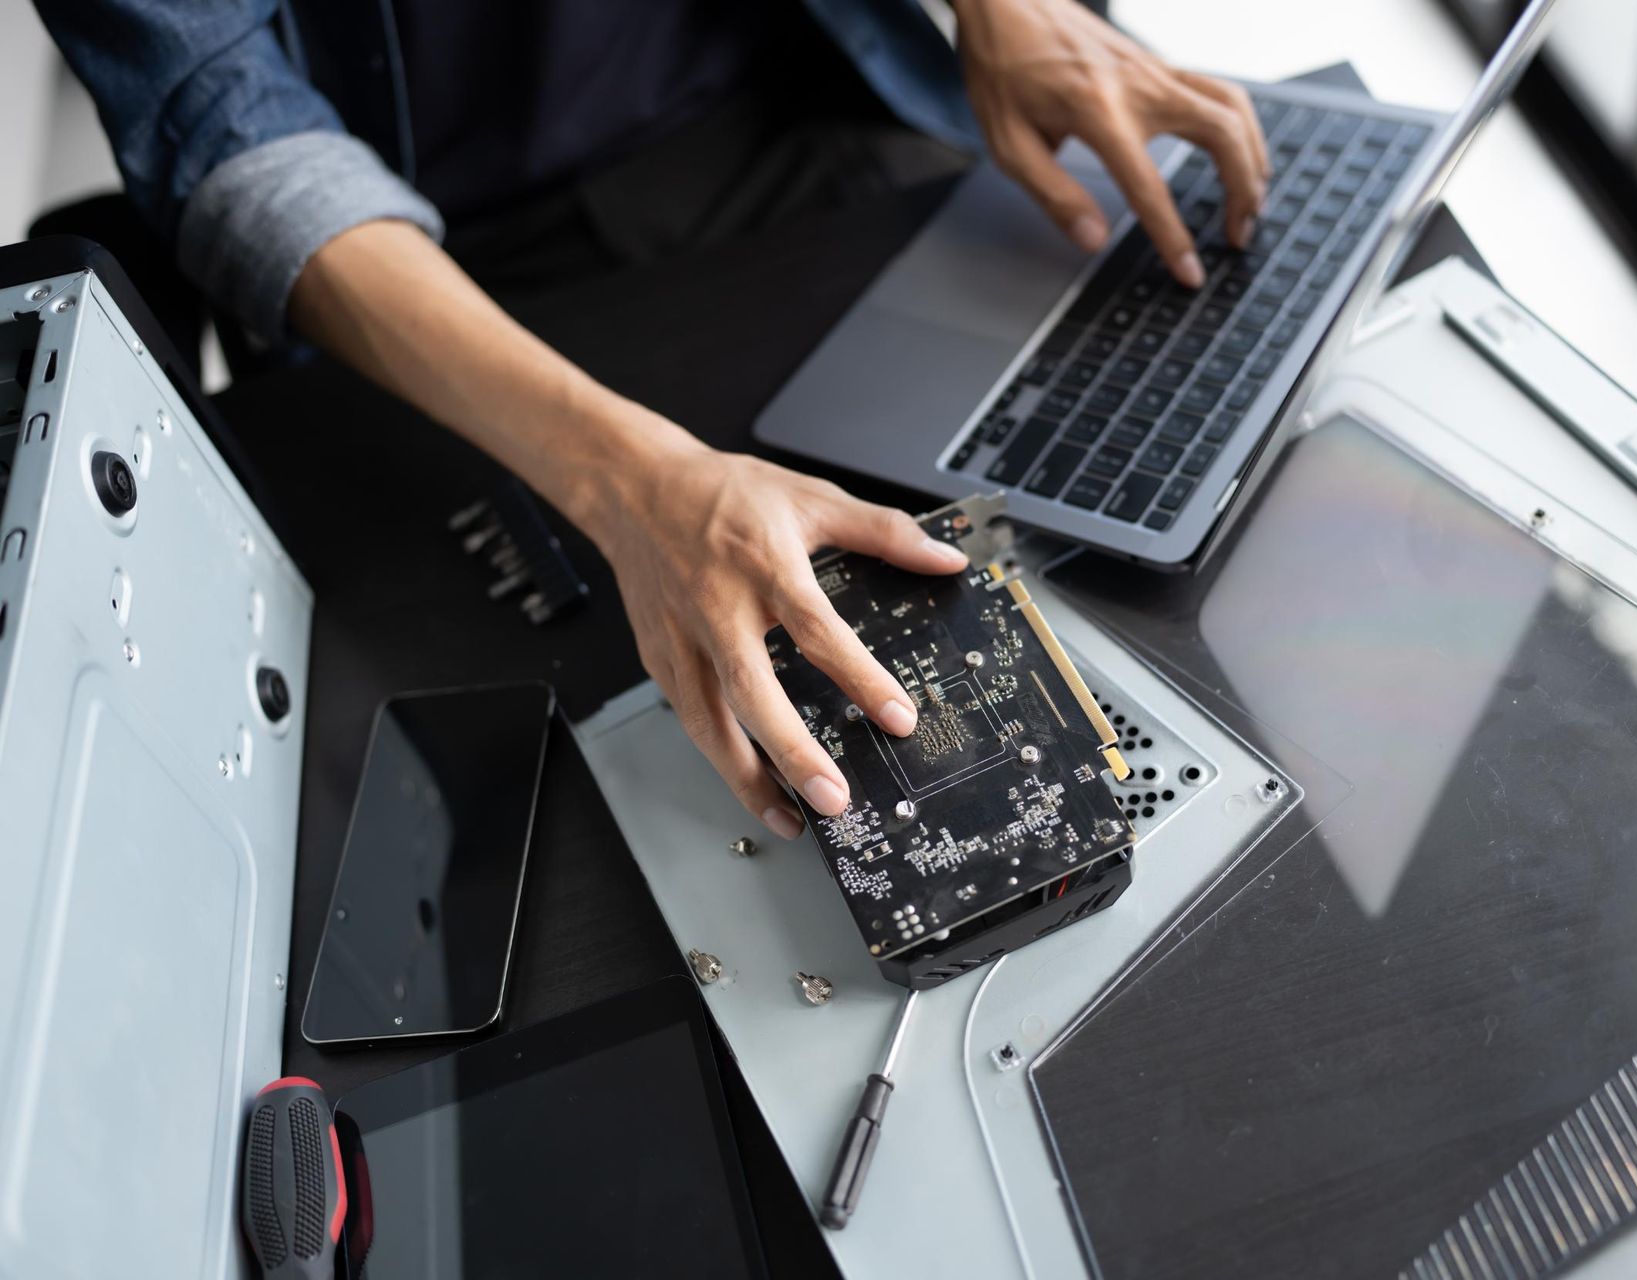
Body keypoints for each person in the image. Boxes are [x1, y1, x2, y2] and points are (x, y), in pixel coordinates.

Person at [37, 0, 1268, 839]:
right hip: (448, 285)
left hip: (811, 94)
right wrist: (632, 486)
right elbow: (222, 131)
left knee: (1163, 541)